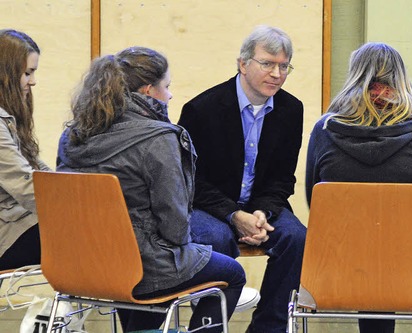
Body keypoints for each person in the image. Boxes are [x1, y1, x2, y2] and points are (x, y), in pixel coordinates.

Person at [56, 46, 245, 333]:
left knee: (144, 264)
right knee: (232, 273)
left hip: (83, 264)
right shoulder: (159, 138)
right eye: (166, 87)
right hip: (142, 267)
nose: (169, 96)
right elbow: (175, 227)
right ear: (148, 91)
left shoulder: (73, 134)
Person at [305, 42, 412, 333]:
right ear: (400, 79)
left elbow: (317, 205)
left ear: (354, 76)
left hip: (337, 271)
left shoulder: (324, 131)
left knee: (368, 255)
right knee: (405, 256)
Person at [178, 25, 306, 333]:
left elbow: (281, 179)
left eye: (283, 66)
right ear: (243, 63)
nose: (277, 73)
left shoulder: (291, 109)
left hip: (260, 205)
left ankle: (268, 327)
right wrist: (235, 216)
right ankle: (207, 327)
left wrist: (261, 213)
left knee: (297, 238)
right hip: (208, 206)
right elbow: (190, 181)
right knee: (217, 238)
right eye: (267, 63)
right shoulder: (201, 109)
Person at [0, 29, 49, 271]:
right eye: (27, 73)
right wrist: (73, 210)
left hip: (15, 222)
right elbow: (24, 184)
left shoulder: (8, 117)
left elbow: (37, 168)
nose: (33, 81)